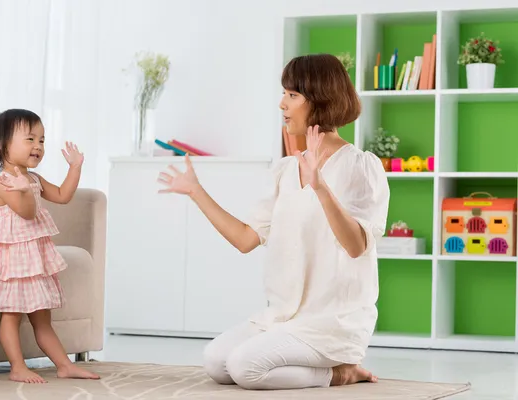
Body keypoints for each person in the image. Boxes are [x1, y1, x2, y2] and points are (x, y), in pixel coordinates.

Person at [156, 54, 390, 390]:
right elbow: (245, 239)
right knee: (216, 362)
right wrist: (196, 192)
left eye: (293, 95)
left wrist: (320, 187)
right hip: (284, 317)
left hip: (332, 321)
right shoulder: (284, 171)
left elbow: (356, 247)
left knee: (245, 367)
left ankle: (342, 371)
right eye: (284, 93)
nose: (282, 103)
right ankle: (327, 367)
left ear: (321, 98)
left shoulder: (360, 166)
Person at [0, 109, 100, 383]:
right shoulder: (5, 182)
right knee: (12, 316)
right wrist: (23, 190)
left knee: (43, 319)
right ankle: (17, 366)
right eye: (30, 139)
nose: (38, 146)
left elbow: (63, 196)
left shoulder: (33, 179)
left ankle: (64, 364)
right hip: (13, 263)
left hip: (34, 260)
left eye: (42, 140)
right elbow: (27, 213)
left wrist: (75, 168)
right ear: (2, 145)